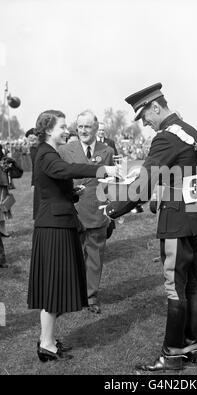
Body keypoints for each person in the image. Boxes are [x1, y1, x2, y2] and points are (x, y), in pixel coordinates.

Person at [103, 83, 197, 372]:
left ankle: (171, 355)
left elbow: (143, 184)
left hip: (177, 223)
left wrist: (114, 209)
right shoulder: (190, 130)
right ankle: (191, 348)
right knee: (191, 286)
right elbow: (188, 175)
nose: (145, 124)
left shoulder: (165, 138)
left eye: (144, 116)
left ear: (155, 107)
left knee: (175, 289)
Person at [27, 110, 117, 361]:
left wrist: (72, 193)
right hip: (54, 228)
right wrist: (101, 170)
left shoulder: (49, 153)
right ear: (48, 131)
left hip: (59, 223)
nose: (67, 131)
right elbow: (66, 170)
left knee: (55, 287)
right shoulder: (47, 153)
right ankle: (46, 344)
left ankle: (49, 340)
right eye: (62, 127)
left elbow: (55, 185)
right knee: (52, 288)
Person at [59, 110, 115, 314]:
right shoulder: (65, 150)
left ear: (96, 127)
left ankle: (91, 297)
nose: (83, 130)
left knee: (94, 258)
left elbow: (110, 184)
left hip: (97, 212)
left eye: (88, 126)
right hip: (73, 211)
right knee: (71, 257)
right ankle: (70, 294)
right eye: (80, 126)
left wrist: (112, 211)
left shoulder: (107, 151)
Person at [0, 144, 23, 268]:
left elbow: (18, 172)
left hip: (2, 188)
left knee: (2, 210)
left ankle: (2, 260)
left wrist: (10, 163)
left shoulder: (5, 161)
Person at [25, 128, 39, 218]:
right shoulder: (33, 150)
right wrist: (33, 183)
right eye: (30, 140)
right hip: (38, 178)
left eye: (33, 139)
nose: (32, 142)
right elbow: (35, 167)